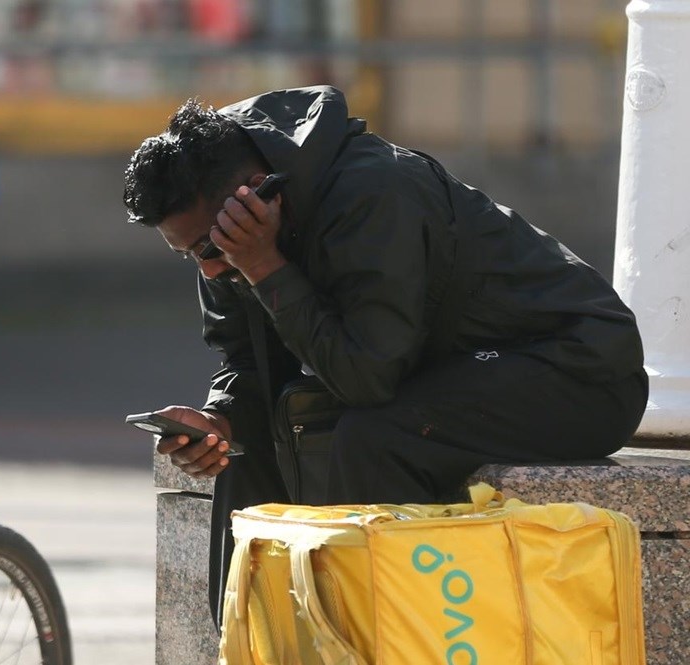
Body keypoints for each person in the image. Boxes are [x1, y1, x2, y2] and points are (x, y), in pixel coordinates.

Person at [122, 86, 647, 621]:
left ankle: (372, 645)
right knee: (250, 440)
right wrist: (221, 419)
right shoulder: (234, 232)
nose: (209, 269)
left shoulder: (373, 192)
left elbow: (366, 377)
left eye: (209, 249)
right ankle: (253, 643)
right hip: (442, 372)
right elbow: (248, 362)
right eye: (189, 255)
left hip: (578, 369)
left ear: (258, 191)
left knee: (375, 438)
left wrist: (263, 265)